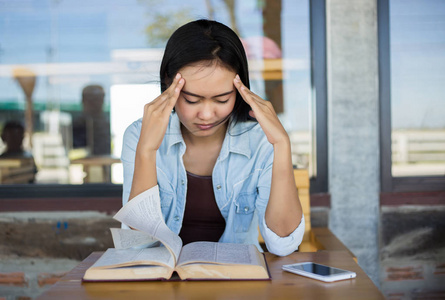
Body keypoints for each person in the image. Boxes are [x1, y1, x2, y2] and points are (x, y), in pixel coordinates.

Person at [121, 19, 304, 256]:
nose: (206, 115)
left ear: (240, 91)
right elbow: (137, 244)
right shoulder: (138, 135)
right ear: (169, 83)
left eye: (221, 99)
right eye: (192, 100)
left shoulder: (262, 141)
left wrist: (281, 144)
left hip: (234, 283)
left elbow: (283, 245)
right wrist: (147, 151)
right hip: (163, 284)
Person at [72, 84, 111, 155]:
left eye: (99, 99)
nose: (96, 104)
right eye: (92, 100)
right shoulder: (77, 125)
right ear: (84, 101)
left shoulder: (107, 124)